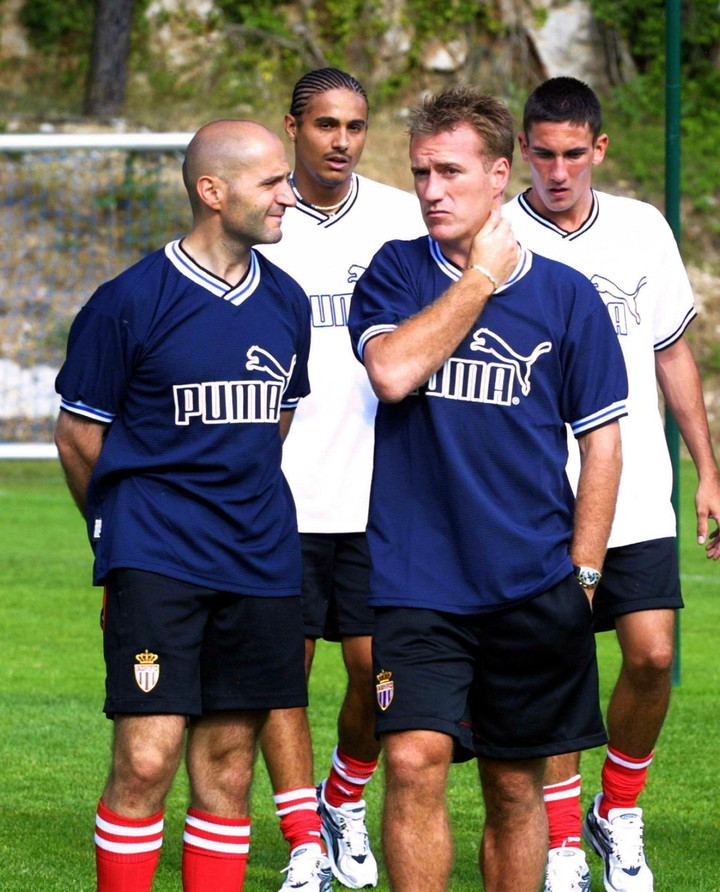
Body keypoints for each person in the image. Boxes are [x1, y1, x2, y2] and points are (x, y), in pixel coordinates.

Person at [347, 84, 628, 892]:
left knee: (514, 786)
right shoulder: (396, 272)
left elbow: (603, 443)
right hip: (416, 580)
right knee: (412, 760)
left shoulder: (568, 297)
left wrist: (583, 574)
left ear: (499, 175)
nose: (431, 191)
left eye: (450, 173)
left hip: (534, 581)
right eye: (420, 173)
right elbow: (394, 373)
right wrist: (478, 282)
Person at [53, 120, 321, 892]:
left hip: (262, 561)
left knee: (230, 768)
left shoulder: (287, 302)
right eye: (271, 182)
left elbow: (276, 423)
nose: (288, 196)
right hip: (158, 560)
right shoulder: (128, 302)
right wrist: (125, 543)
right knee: (145, 760)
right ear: (213, 191)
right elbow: (78, 438)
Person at [504, 76, 720, 892]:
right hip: (535, 496)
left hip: (636, 490)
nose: (557, 171)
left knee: (653, 656)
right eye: (543, 153)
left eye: (573, 154)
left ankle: (615, 810)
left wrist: (709, 471)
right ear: (523, 149)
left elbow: (671, 351)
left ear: (598, 149)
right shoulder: (496, 237)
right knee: (558, 660)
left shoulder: (641, 229)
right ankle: (562, 841)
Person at [257, 67, 426, 890]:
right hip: (275, 495)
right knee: (280, 672)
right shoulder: (260, 216)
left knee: (375, 671)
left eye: (355, 126)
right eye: (325, 125)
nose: (342, 142)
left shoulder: (401, 219)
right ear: (292, 127)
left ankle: (343, 801)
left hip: (379, 495)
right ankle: (301, 842)